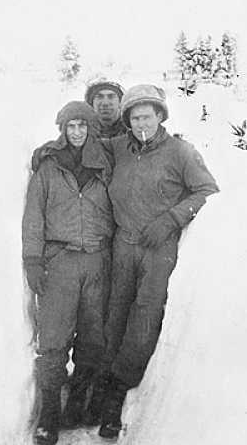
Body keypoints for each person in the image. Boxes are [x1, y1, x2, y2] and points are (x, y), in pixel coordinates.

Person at [89, 84, 219, 440]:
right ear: (127, 122)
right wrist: (48, 152)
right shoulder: (118, 148)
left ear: (161, 116)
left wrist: (171, 220)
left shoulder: (181, 152)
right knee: (115, 312)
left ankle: (118, 388)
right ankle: (101, 380)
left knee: (145, 313)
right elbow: (81, 146)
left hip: (158, 247)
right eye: (134, 116)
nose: (141, 121)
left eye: (147, 114)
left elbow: (206, 190)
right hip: (123, 243)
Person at [22, 101, 114, 445]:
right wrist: (33, 259)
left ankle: (77, 400)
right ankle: (49, 413)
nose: (76, 132)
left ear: (91, 129)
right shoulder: (48, 166)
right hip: (60, 260)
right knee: (54, 338)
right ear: (62, 129)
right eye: (70, 126)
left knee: (93, 337)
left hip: (97, 260)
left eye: (82, 126)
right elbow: (33, 217)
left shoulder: (105, 165)